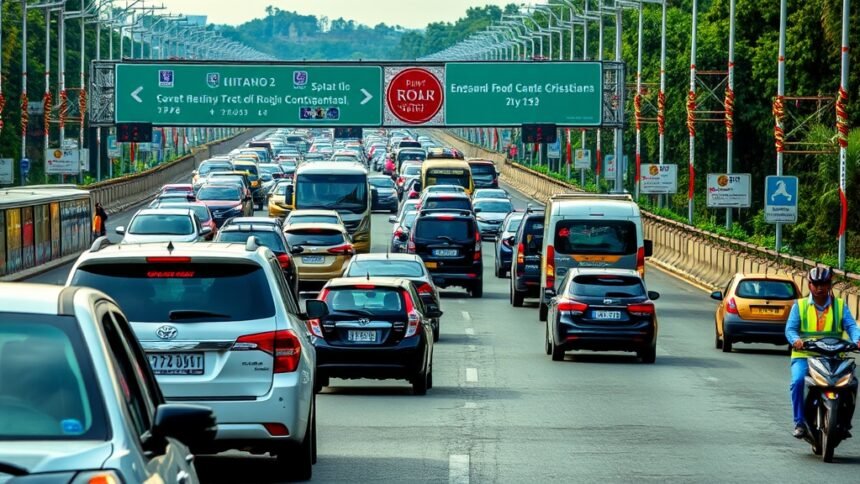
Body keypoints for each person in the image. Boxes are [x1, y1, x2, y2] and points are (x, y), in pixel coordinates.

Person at [785, 266, 860, 438]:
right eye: (816, 284)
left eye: (824, 284)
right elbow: (790, 330)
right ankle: (799, 422)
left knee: (852, 383)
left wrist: (857, 340)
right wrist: (796, 340)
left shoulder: (840, 306)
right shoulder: (800, 305)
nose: (820, 288)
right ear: (809, 285)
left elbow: (851, 326)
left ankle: (845, 422)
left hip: (834, 356)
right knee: (797, 382)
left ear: (830, 285)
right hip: (805, 356)